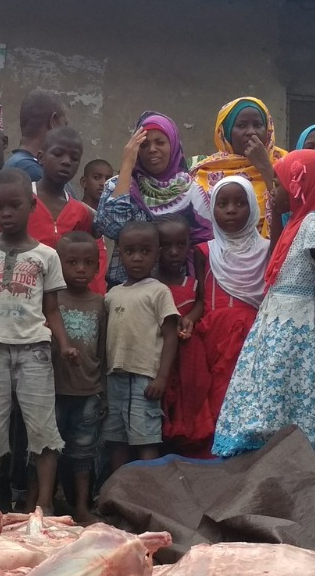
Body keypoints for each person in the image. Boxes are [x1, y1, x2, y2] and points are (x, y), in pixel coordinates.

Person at [213, 150, 315, 469]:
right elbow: (274, 260)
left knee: (284, 389)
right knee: (273, 389)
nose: (273, 191)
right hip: (277, 320)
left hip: (295, 324)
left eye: (278, 184)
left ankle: (286, 458)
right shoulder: (296, 223)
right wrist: (274, 217)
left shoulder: (312, 223)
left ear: (299, 188)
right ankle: (268, 457)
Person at [0, 169, 74, 513]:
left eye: (15, 205)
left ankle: (44, 506)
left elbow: (51, 309)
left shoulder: (46, 256)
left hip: (34, 351)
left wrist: (64, 344)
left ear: (32, 204)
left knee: (43, 431)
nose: (6, 213)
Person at [165, 176, 268, 457]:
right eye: (222, 204)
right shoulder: (205, 251)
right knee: (212, 398)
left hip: (250, 338)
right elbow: (201, 298)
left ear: (253, 208)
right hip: (211, 337)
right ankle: (212, 460)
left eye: (239, 203)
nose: (231, 210)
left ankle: (243, 457)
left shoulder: (265, 250)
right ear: (213, 210)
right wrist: (190, 318)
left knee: (242, 397)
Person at [94, 112, 212, 286]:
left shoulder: (193, 191)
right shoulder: (118, 185)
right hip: (128, 291)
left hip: (182, 291)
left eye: (160, 142)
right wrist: (127, 165)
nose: (152, 149)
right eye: (144, 144)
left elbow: (205, 246)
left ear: (173, 145)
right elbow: (114, 228)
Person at [104, 222, 178, 471]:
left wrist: (161, 377)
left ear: (157, 254)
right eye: (130, 251)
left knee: (146, 439)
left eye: (145, 251)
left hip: (144, 379)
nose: (137, 258)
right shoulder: (112, 294)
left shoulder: (159, 292)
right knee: (116, 440)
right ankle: (118, 490)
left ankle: (151, 491)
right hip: (114, 377)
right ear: (120, 253)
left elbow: (171, 336)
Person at [52, 232, 106, 523]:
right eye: (72, 262)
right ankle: (40, 502)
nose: (80, 269)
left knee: (83, 454)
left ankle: (82, 507)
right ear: (58, 264)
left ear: (98, 266)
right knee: (46, 450)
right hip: (54, 390)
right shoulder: (52, 301)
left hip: (88, 391)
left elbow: (103, 350)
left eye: (88, 263)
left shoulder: (99, 303)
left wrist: (103, 391)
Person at [190, 97, 289, 239]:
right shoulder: (205, 171)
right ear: (226, 132)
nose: (251, 132)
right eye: (241, 125)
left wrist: (265, 166)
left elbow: (289, 211)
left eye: (258, 125)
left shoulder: (286, 164)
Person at [28, 127, 106, 293]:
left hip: (65, 300)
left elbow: (91, 259)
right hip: (23, 294)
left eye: (74, 158)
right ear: (41, 157)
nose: (66, 162)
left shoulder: (82, 213)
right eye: (58, 154)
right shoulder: (22, 201)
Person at [155, 215, 203, 454]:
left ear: (189, 246)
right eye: (166, 245)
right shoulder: (150, 284)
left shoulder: (192, 283)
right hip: (159, 358)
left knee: (185, 407)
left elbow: (201, 303)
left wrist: (190, 318)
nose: (174, 252)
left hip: (187, 359)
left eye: (181, 245)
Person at [6, 88, 69, 181]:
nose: (66, 133)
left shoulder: (17, 163)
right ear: (53, 122)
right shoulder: (32, 171)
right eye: (65, 124)